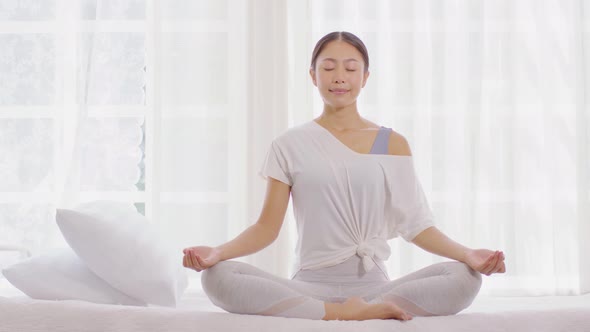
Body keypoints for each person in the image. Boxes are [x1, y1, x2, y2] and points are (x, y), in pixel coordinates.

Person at [182, 31, 506, 321]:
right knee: (217, 277)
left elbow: (417, 224)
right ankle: (343, 313)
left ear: (365, 77)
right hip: (309, 287)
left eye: (350, 69)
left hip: (377, 288)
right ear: (312, 75)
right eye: (328, 67)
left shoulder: (390, 143)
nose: (339, 77)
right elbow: (266, 229)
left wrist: (468, 254)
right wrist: (217, 253)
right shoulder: (289, 144)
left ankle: (358, 308)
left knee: (464, 277)